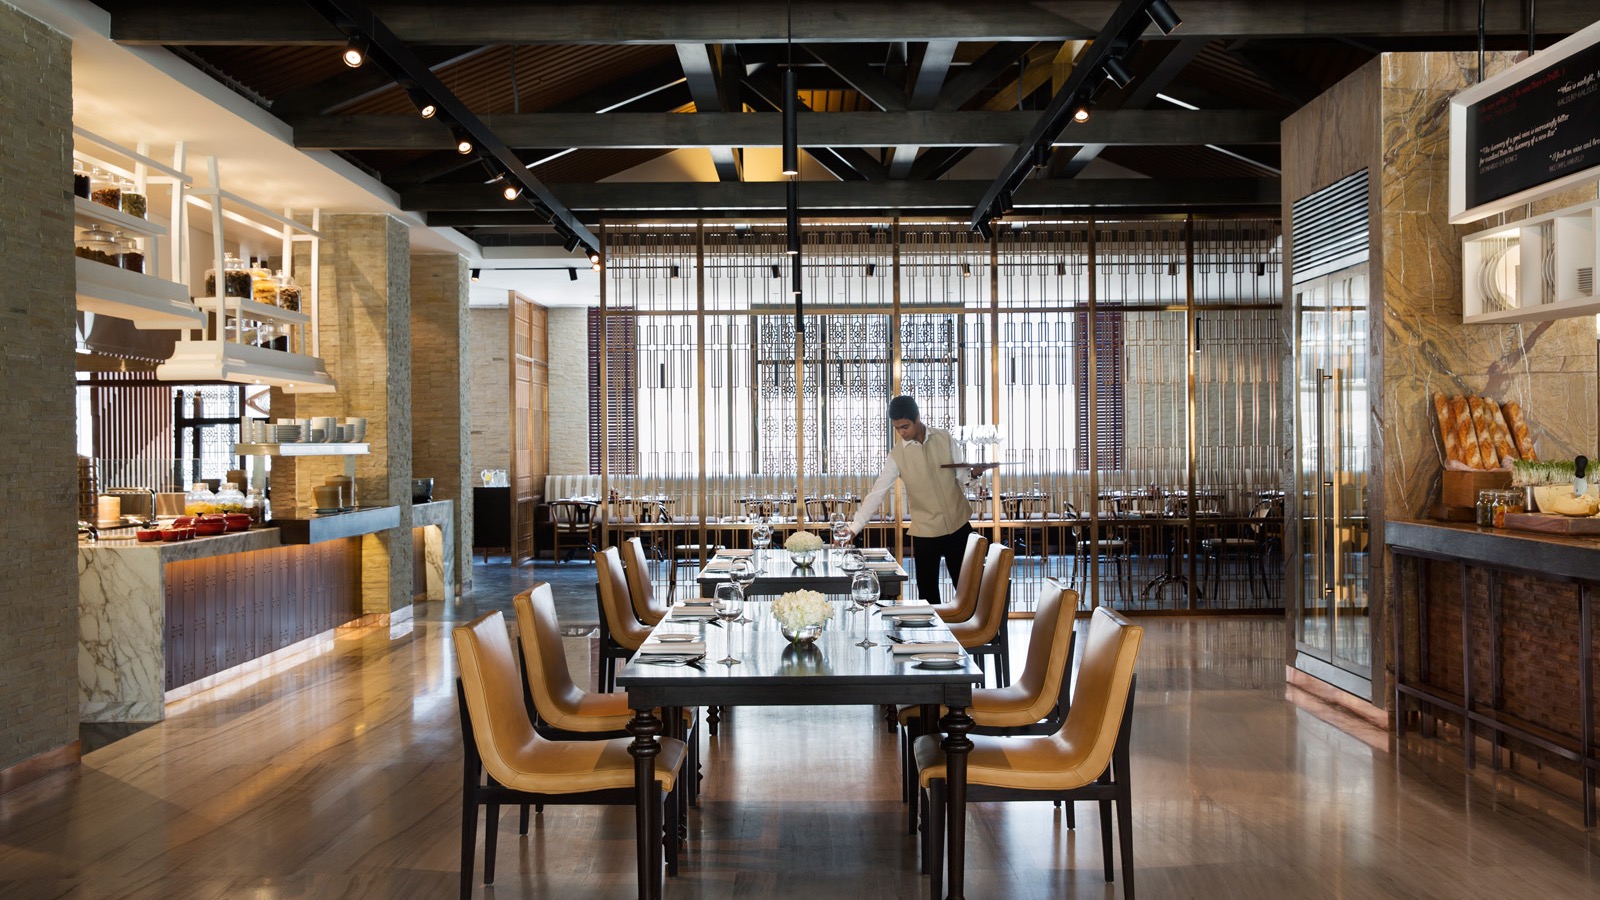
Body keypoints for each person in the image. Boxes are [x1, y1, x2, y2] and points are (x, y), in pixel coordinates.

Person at [850, 395, 983, 601]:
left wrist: (973, 474)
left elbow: (962, 476)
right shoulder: (896, 456)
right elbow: (877, 493)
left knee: (969, 590)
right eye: (897, 428)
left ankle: (975, 631)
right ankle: (936, 634)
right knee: (928, 595)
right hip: (926, 533)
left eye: (905, 426)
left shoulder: (944, 437)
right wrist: (854, 527)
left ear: (917, 418)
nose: (901, 433)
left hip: (959, 527)